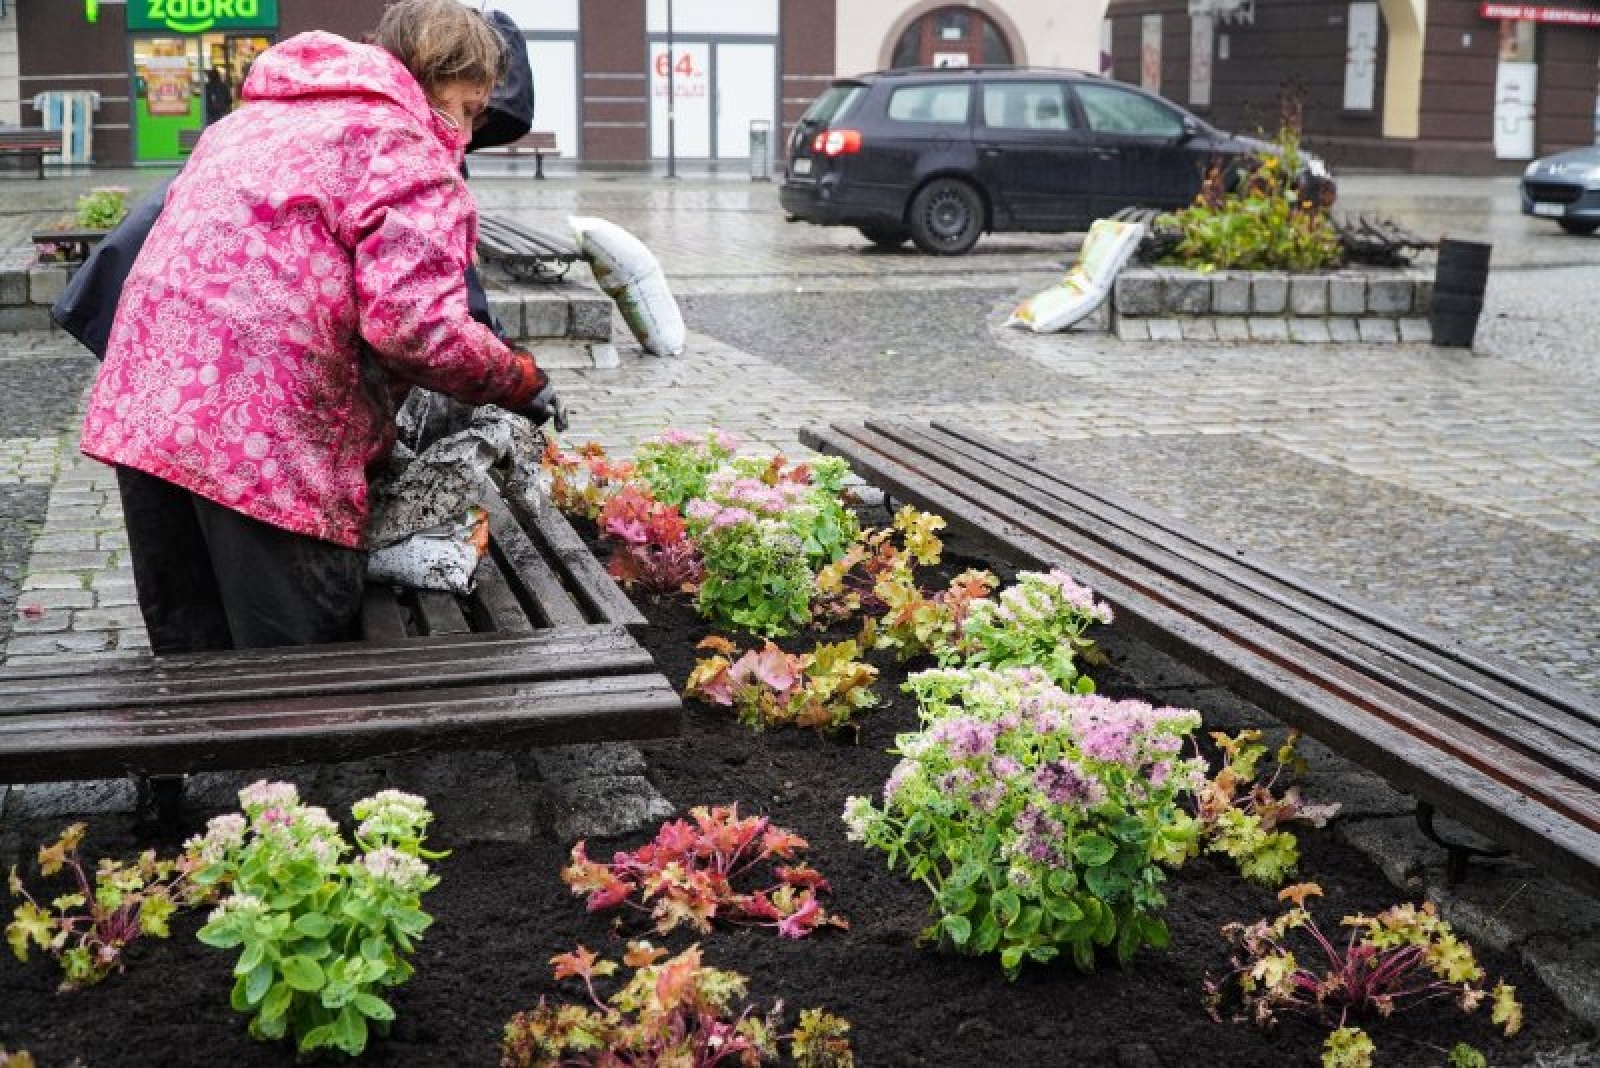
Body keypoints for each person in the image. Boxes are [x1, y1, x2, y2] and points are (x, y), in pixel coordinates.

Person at [79, 0, 565, 655]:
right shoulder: (401, 142)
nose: (470, 134)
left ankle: (216, 760)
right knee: (295, 680)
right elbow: (418, 328)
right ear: (438, 75)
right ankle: (275, 761)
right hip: (264, 438)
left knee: (196, 657)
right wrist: (516, 380)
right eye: (471, 108)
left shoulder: (251, 122)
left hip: (151, 410)